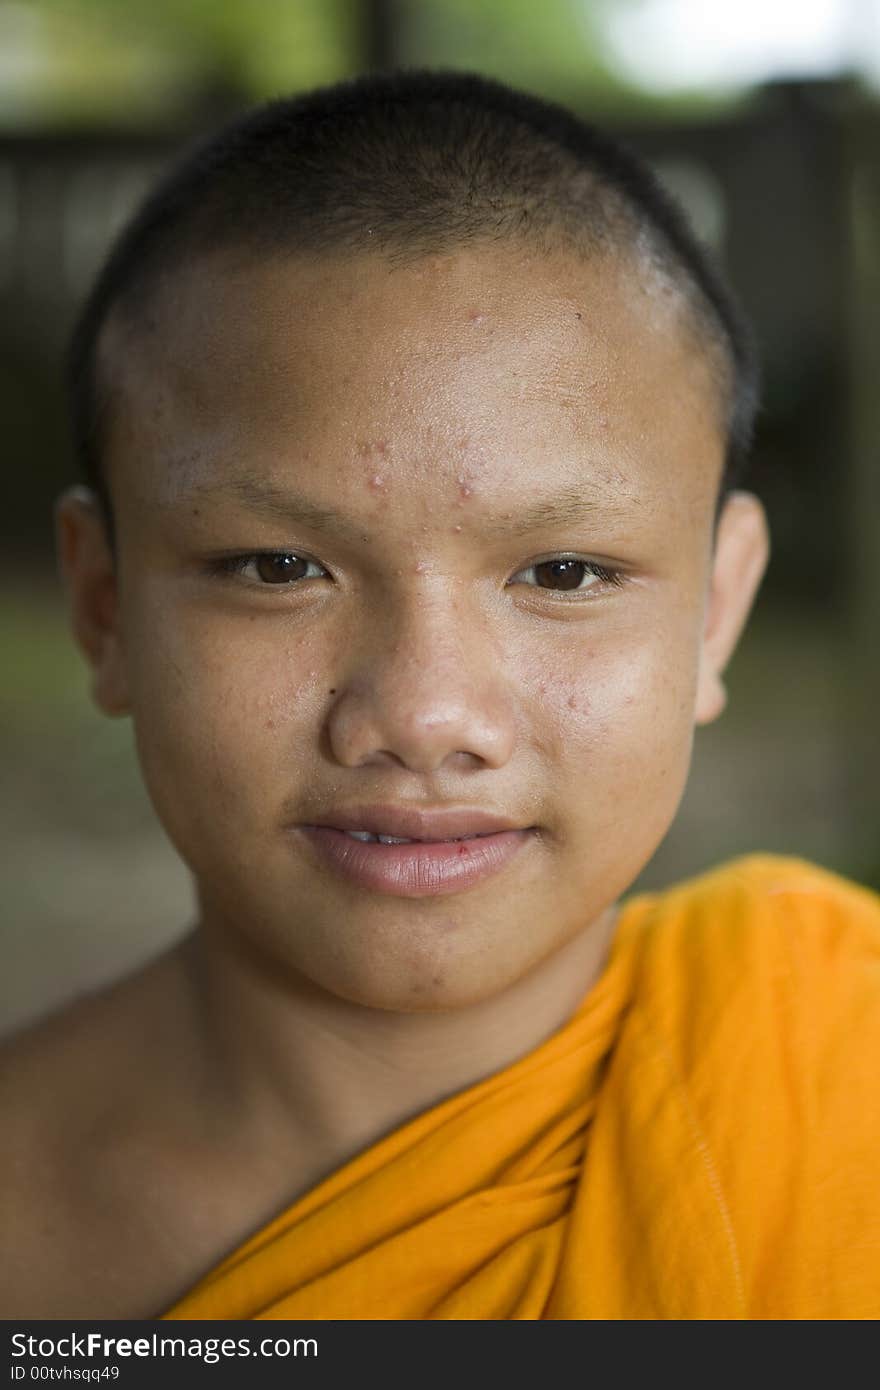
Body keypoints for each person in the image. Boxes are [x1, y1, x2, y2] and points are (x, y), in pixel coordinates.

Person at [2, 69, 878, 1321]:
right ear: (105, 609)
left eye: (564, 571)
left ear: (715, 611)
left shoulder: (843, 1068)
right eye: (277, 567)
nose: (422, 716)